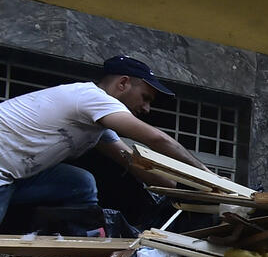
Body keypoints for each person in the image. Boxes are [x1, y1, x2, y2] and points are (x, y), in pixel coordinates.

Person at [0, 56, 212, 226]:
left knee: (79, 183)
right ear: (123, 83)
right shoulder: (91, 97)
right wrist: (207, 176)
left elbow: (130, 161)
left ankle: (84, 244)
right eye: (145, 97)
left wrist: (184, 193)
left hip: (15, 178)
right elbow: (157, 139)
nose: (147, 108)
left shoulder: (96, 125)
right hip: (3, 174)